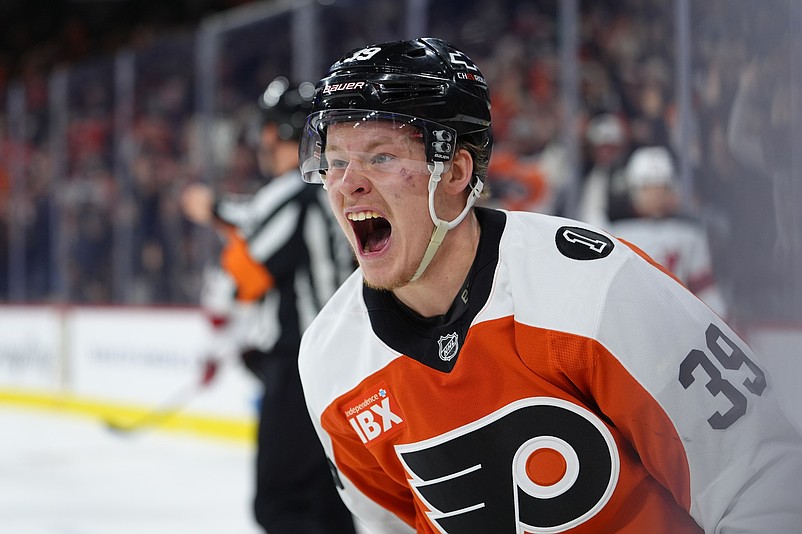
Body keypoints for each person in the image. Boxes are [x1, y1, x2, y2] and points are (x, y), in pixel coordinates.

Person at [295, 37, 802, 533]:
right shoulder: (330, 359)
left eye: (381, 157)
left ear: (454, 172)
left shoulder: (596, 289)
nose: (347, 183)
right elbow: (393, 522)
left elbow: (758, 478)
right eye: (336, 161)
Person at [181, 77, 357, 534]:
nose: (260, 142)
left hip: (302, 365)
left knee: (283, 504)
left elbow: (249, 272)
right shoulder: (331, 188)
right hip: (340, 361)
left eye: (267, 130)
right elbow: (256, 218)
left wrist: (224, 293)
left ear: (281, 134)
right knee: (327, 501)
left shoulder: (297, 195)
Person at [609, 146, 728, 318]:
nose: (656, 194)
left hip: (676, 320)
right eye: (648, 187)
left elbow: (706, 293)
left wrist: (720, 320)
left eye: (661, 187)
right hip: (631, 318)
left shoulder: (689, 235)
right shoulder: (615, 234)